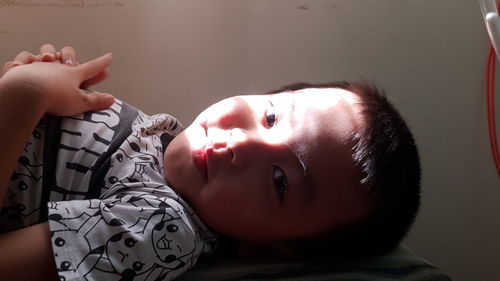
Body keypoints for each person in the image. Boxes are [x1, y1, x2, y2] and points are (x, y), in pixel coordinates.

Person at [0, 44, 421, 281]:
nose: (242, 141)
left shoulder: (160, 229)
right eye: (271, 116)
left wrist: (25, 93)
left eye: (280, 181)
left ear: (265, 249)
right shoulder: (165, 147)